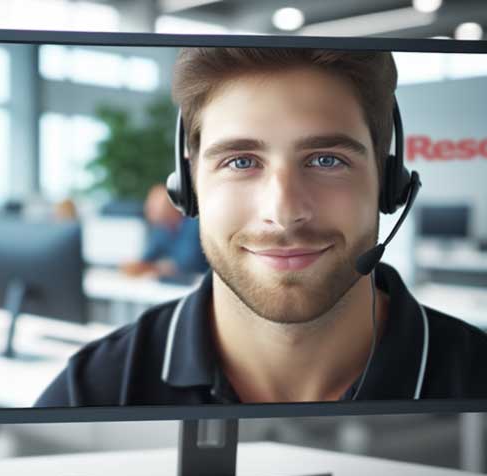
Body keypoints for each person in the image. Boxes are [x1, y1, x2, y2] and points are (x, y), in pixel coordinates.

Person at [36, 47, 487, 407]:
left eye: (327, 160)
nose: (284, 211)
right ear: (188, 185)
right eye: (240, 161)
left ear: (389, 182)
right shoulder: (92, 391)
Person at [120, 183, 208, 278]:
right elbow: (147, 259)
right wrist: (136, 266)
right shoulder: (161, 230)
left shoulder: (194, 223)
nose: (148, 209)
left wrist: (157, 267)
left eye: (154, 205)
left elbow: (188, 263)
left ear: (173, 204)